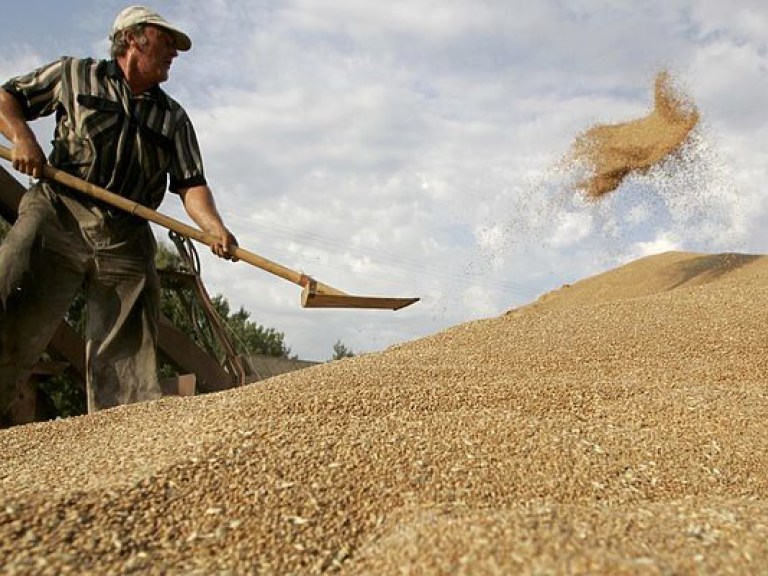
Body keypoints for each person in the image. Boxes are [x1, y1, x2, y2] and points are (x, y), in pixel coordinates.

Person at [0, 6, 238, 422]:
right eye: (167, 43)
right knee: (11, 300)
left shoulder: (173, 117)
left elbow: (190, 182)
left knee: (127, 361)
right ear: (132, 39)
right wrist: (22, 137)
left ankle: (121, 441)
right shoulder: (74, 74)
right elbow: (6, 98)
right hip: (58, 212)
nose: (174, 54)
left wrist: (213, 227)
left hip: (125, 234)